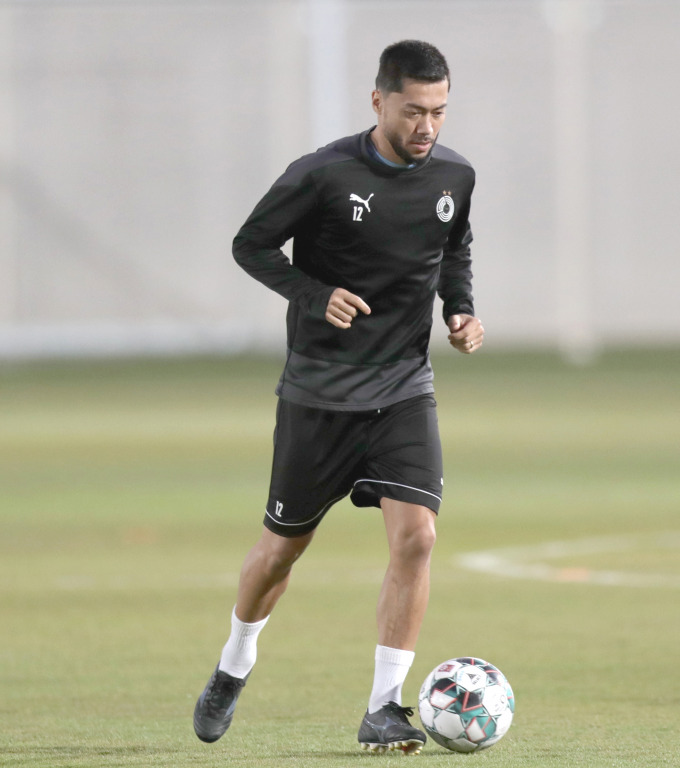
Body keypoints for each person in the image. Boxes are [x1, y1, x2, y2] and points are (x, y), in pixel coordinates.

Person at [193, 39, 482, 755]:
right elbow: (251, 245)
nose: (427, 127)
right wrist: (314, 295)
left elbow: (453, 246)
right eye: (413, 110)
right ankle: (235, 662)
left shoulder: (455, 175)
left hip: (403, 391)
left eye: (439, 112)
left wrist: (461, 310)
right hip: (318, 397)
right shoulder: (321, 175)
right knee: (279, 555)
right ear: (378, 100)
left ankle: (385, 707)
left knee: (417, 537)